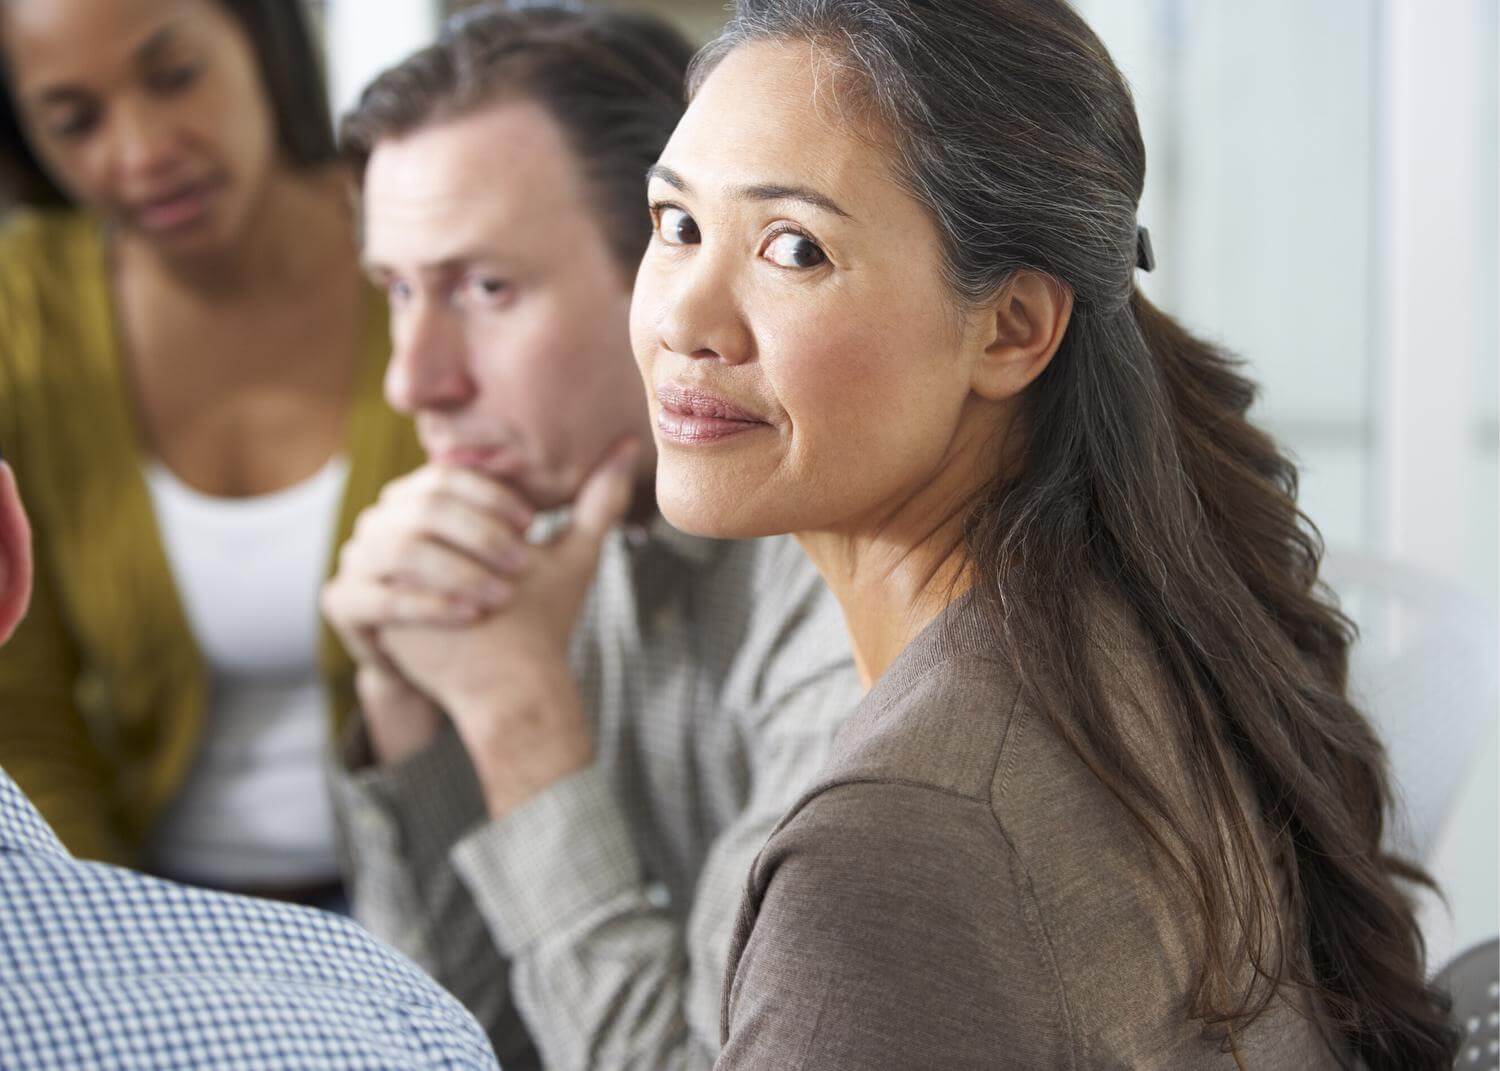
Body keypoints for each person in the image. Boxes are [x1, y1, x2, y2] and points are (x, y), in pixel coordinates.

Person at [630, 1, 1460, 1068]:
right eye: (675, 225)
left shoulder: (896, 852)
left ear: (1014, 326)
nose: (681, 320)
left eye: (794, 249)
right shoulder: (1139, 627)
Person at [320, 7, 858, 1070]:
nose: (414, 380)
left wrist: (518, 721)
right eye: (395, 291)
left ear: (669, 263)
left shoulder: (858, 596)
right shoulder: (549, 532)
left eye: (486, 288)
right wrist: (411, 709)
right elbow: (441, 1045)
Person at [0, 0, 421, 900]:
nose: (144, 150)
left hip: (437, 897)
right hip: (143, 896)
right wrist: (116, 937)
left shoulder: (426, 249)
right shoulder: (23, 321)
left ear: (261, 41)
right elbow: (21, 716)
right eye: (75, 121)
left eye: (174, 75)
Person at [0, 454, 497, 1070]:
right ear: (9, 560)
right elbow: (35, 728)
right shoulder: (404, 1033)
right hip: (179, 893)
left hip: (365, 894)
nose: (419, 381)